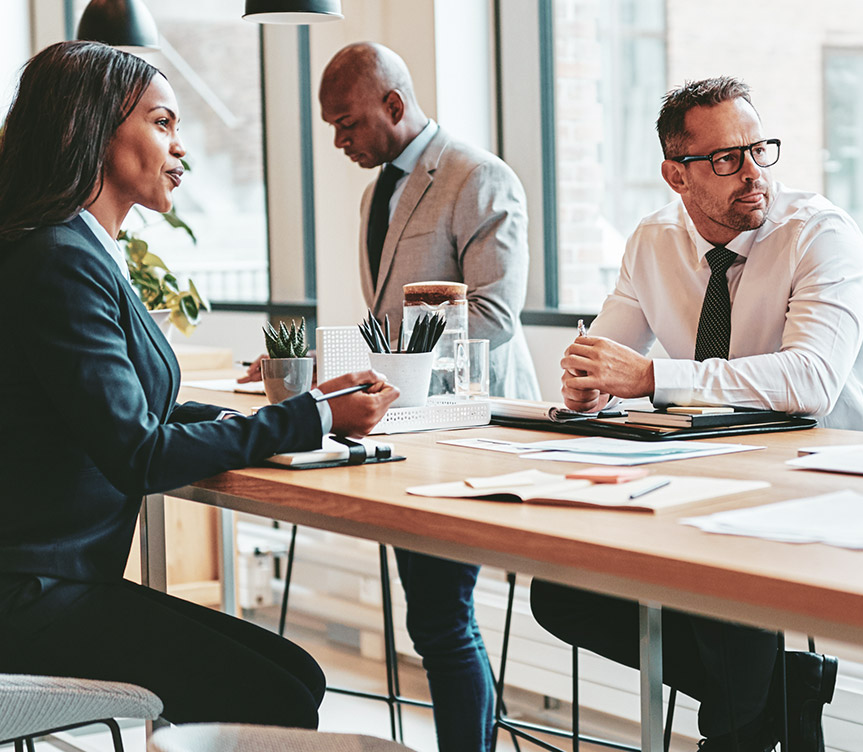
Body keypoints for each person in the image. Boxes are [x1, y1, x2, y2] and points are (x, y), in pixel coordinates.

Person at [0, 40, 396, 728]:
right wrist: (312, 419)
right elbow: (139, 454)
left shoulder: (69, 247)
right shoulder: (58, 259)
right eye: (162, 122)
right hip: (33, 596)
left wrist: (307, 412)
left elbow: (132, 412)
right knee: (280, 695)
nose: (181, 149)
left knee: (297, 675)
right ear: (92, 129)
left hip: (51, 580)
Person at [532, 76, 863, 751]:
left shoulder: (819, 234)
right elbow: (605, 356)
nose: (753, 173)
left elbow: (812, 380)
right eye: (727, 159)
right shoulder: (652, 242)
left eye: (760, 150)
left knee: (723, 581)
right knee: (561, 591)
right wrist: (590, 387)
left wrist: (648, 377)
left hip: (838, 474)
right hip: (717, 467)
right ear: (677, 175)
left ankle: (740, 728)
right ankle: (777, 694)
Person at [269, 41, 535, 752]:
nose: (339, 140)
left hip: (467, 431)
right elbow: (387, 315)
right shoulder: (377, 190)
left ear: (394, 104)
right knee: (434, 619)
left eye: (348, 122)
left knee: (443, 620)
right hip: (403, 430)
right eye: (331, 126)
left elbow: (494, 318)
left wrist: (387, 365)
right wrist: (334, 366)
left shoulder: (479, 177)